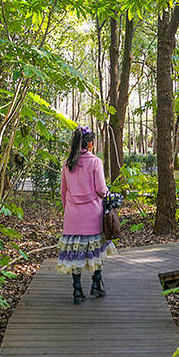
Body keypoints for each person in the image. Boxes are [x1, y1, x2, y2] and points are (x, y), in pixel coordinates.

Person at [56, 126, 116, 304]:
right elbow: (101, 189)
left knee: (76, 254)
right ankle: (96, 284)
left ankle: (77, 290)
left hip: (73, 217)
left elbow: (63, 191)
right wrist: (109, 194)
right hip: (92, 215)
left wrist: (69, 209)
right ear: (89, 143)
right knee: (97, 250)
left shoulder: (68, 163)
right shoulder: (95, 162)